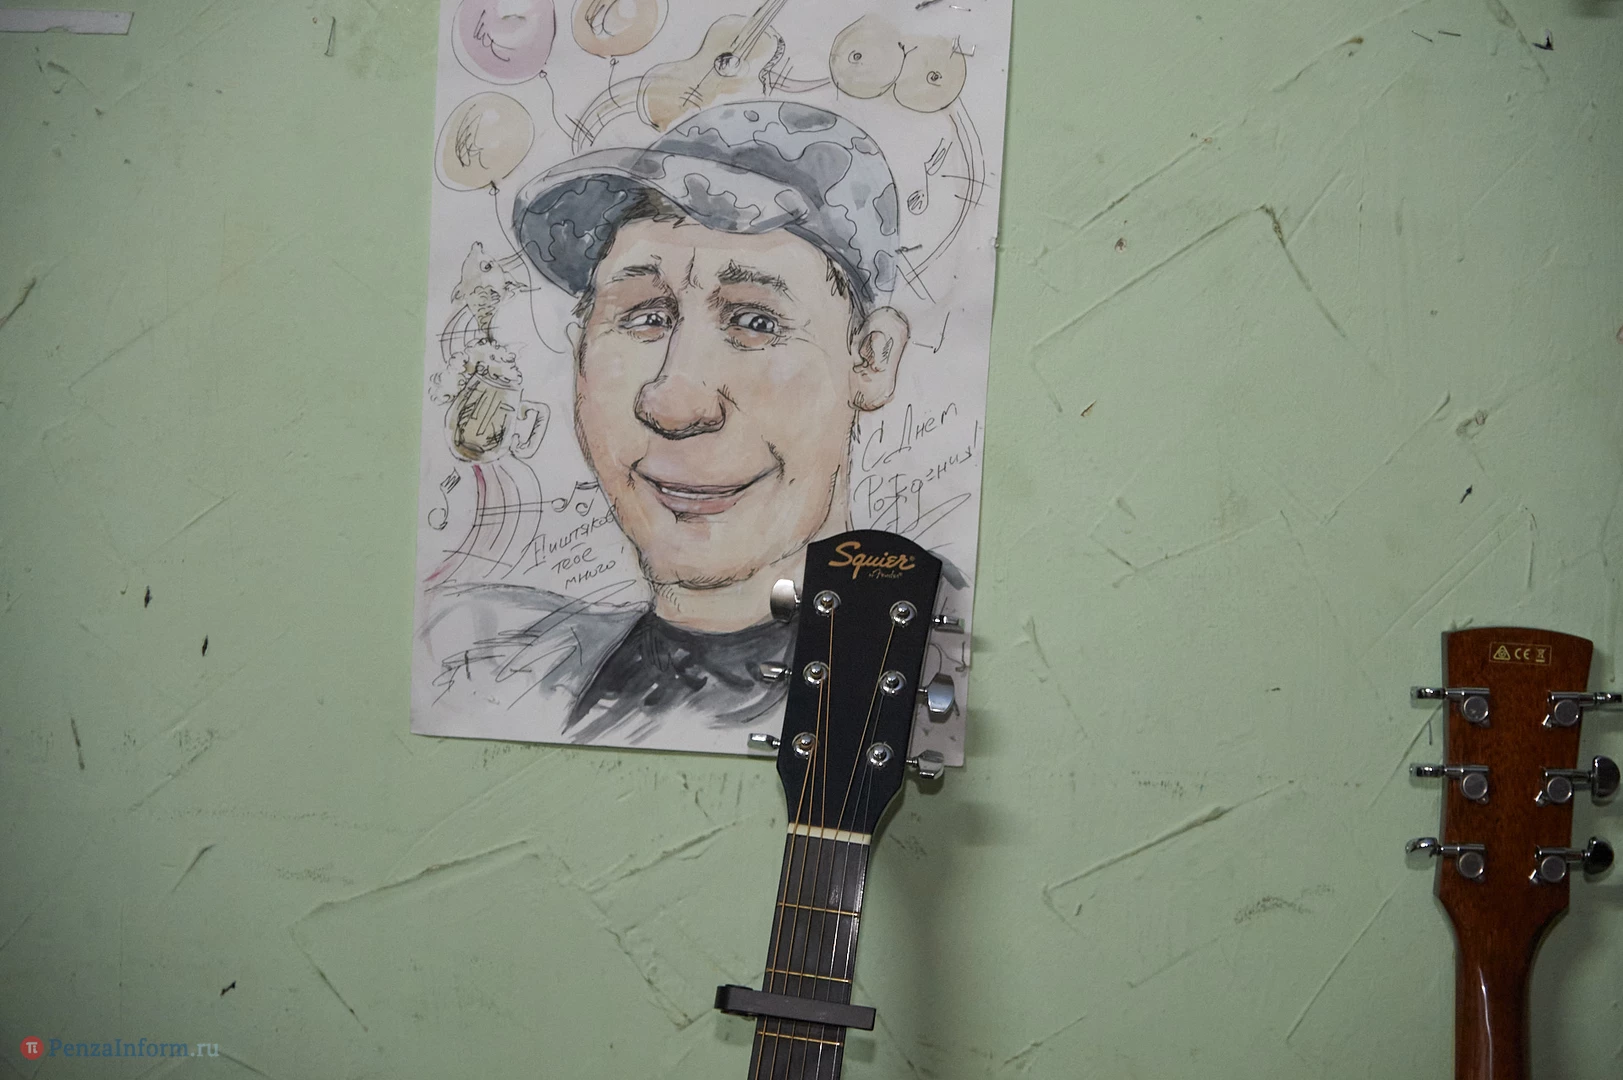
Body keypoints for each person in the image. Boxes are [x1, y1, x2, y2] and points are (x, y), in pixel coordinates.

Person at [416, 101, 950, 749]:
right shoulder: (495, 668)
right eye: (644, 316)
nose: (673, 402)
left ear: (870, 360)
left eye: (755, 322)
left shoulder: (920, 661)